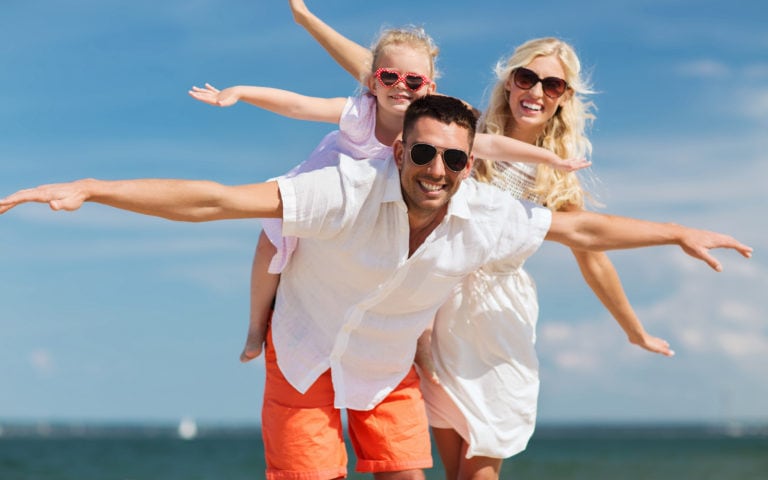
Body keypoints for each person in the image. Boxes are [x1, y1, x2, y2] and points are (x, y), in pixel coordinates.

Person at [0, 95, 753, 480]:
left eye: (453, 160)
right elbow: (214, 201)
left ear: (468, 164)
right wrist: (95, 188)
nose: (437, 171)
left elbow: (582, 231)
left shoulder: (485, 214)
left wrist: (676, 231)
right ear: (399, 149)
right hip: (303, 355)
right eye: (423, 152)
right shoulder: (345, 191)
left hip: (385, 367)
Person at [277, 0, 689, 477]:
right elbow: (388, 76)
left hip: (500, 320)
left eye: (552, 84)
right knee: (437, 460)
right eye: (526, 77)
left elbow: (592, 252)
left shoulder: (560, 178)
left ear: (564, 97)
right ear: (510, 81)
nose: (535, 90)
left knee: (481, 465)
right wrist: (307, 21)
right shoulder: (464, 133)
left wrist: (635, 330)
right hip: (436, 304)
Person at [188, 25, 589, 364]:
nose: (401, 87)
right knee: (270, 242)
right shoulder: (358, 110)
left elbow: (492, 146)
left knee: (420, 264)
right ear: (372, 81)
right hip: (333, 189)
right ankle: (257, 327)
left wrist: (549, 159)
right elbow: (297, 106)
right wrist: (239, 91)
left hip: (382, 205)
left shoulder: (431, 123)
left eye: (413, 81)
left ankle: (416, 348)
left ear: (428, 87)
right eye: (390, 78)